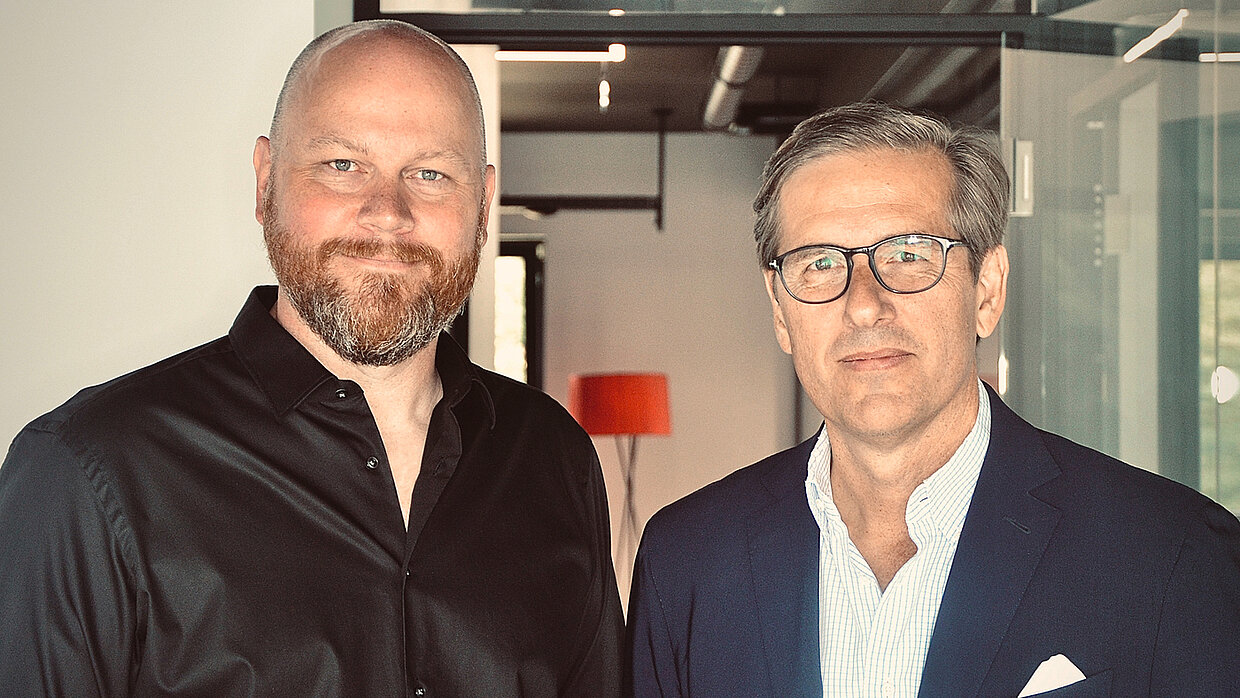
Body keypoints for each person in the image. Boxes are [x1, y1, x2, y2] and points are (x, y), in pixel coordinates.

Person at [0, 20, 623, 696]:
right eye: (342, 165)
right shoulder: (89, 472)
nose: (388, 212)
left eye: (431, 173)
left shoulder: (554, 457)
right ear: (266, 182)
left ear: (483, 203)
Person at [627, 101, 1240, 697]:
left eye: (908, 255)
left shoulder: (1173, 554)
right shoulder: (686, 562)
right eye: (819, 263)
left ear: (986, 291)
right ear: (781, 311)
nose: (863, 305)